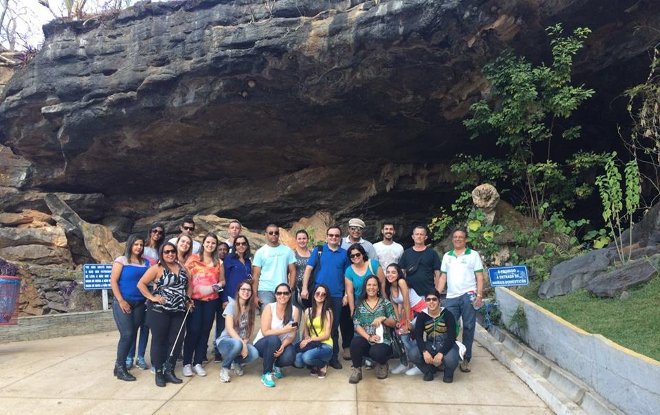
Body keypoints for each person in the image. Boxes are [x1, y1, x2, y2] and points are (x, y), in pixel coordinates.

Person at [137, 243, 192, 387]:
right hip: (159, 311)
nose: (170, 254)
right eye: (166, 252)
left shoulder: (182, 268)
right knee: (159, 341)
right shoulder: (157, 268)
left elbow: (189, 284)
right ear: (162, 253)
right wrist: (152, 297)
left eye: (172, 251)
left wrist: (188, 299)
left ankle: (169, 370)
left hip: (179, 310)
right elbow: (141, 284)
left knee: (176, 341)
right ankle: (159, 372)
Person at [300, 226, 349, 370]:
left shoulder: (344, 254)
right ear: (326, 236)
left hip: (336, 295)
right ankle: (314, 352)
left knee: (333, 328)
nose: (333, 238)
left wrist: (346, 294)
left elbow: (347, 276)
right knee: (314, 324)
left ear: (340, 238)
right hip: (318, 294)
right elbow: (308, 269)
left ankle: (333, 357)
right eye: (331, 235)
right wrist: (304, 288)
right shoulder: (319, 251)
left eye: (336, 235)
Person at [437, 228, 484, 373]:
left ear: (465, 239)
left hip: (468, 295)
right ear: (452, 239)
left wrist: (479, 295)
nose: (458, 239)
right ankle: (447, 355)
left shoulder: (473, 255)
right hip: (451, 296)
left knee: (469, 327)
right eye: (455, 237)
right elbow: (443, 277)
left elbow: (479, 276)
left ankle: (466, 359)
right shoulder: (447, 256)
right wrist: (436, 295)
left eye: (461, 237)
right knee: (448, 327)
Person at [182, 233, 225, 377]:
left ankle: (198, 362)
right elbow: (185, 278)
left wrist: (216, 286)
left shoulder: (218, 262)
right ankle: (187, 363)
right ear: (203, 243)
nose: (210, 245)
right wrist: (187, 298)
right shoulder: (193, 259)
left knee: (205, 330)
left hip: (211, 301)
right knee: (193, 330)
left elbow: (222, 281)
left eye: (213, 243)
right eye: (208, 242)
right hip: (194, 300)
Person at [110, 234, 150, 381]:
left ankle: (118, 367)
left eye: (141, 245)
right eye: (136, 244)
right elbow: (113, 281)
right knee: (127, 334)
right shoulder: (121, 261)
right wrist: (121, 300)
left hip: (140, 303)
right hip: (123, 302)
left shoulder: (146, 263)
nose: (138, 247)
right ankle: (121, 367)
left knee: (132, 334)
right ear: (130, 245)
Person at [127, 223, 164, 371]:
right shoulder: (136, 254)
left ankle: (140, 356)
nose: (157, 234)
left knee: (145, 328)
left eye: (160, 232)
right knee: (132, 328)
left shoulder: (156, 255)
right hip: (136, 294)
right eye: (154, 231)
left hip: (149, 295)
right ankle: (129, 356)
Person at [348, 276, 397, 384]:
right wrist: (369, 337)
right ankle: (357, 370)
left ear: (378, 288)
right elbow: (357, 324)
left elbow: (394, 322)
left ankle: (383, 363)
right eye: (369, 285)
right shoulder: (360, 304)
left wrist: (383, 318)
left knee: (376, 352)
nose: (372, 287)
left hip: (383, 341)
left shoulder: (385, 303)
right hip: (367, 339)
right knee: (355, 342)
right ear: (365, 287)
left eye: (374, 285)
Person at [253, 283, 301, 388]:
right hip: (263, 344)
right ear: (275, 295)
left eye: (285, 293)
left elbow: (292, 335)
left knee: (290, 355)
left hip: (281, 344)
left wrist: (283, 346)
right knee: (273, 340)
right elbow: (265, 332)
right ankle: (266, 373)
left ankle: (276, 365)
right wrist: (284, 330)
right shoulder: (269, 308)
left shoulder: (295, 311)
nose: (282, 296)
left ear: (290, 295)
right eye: (279, 293)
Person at [384, 263, 427, 375]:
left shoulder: (401, 282)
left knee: (410, 336)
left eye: (393, 272)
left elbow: (407, 303)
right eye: (388, 272)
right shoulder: (389, 286)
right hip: (409, 312)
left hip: (420, 311)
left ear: (399, 274)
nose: (390, 274)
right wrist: (398, 321)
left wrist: (408, 322)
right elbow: (394, 305)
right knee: (401, 336)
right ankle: (406, 363)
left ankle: (420, 364)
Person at [344, 243, 385, 357]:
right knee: (360, 331)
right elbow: (350, 292)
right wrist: (352, 309)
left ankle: (378, 355)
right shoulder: (349, 271)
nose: (355, 257)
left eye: (358, 254)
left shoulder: (374, 265)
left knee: (378, 328)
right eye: (352, 256)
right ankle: (363, 356)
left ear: (363, 254)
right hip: (360, 303)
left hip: (377, 301)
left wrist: (385, 301)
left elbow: (382, 284)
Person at [215, 280, 259, 383]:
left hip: (240, 342)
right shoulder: (232, 305)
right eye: (243, 289)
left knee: (254, 353)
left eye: (249, 290)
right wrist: (242, 345)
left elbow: (250, 328)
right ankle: (225, 368)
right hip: (225, 342)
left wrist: (245, 341)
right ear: (238, 291)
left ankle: (236, 362)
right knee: (237, 344)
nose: (246, 292)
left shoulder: (250, 308)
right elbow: (229, 328)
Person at [413, 289, 460, 383]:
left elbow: (452, 337)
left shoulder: (447, 314)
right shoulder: (422, 316)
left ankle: (448, 372)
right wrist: (424, 351)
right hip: (431, 345)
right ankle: (428, 371)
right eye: (428, 299)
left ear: (439, 301)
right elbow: (418, 336)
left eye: (434, 299)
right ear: (425, 301)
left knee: (451, 359)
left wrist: (441, 353)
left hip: (447, 344)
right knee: (413, 353)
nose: (431, 302)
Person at [252, 224, 296, 308]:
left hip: (283, 289)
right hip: (265, 290)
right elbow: (256, 275)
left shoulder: (287, 251)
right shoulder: (260, 252)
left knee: (284, 317)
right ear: (266, 234)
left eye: (276, 233)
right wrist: (255, 295)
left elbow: (293, 271)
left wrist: (290, 288)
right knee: (267, 316)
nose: (274, 235)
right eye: (271, 233)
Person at [294, 284, 333, 378]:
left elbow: (327, 335)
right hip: (313, 344)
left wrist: (310, 340)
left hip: (325, 345)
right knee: (297, 361)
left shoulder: (328, 312)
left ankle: (322, 364)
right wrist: (306, 339)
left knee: (306, 357)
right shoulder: (308, 311)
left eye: (323, 294)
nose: (320, 296)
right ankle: (314, 364)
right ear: (314, 295)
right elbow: (306, 330)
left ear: (326, 297)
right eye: (318, 293)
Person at [398, 226, 442, 301]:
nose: (419, 236)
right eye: (417, 234)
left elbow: (437, 273)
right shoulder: (406, 253)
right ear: (413, 236)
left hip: (428, 293)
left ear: (425, 237)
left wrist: (436, 290)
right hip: (410, 293)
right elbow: (402, 272)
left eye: (421, 234)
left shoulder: (432, 253)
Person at [212, 241, 231, 362]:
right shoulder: (213, 263)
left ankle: (219, 350)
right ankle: (215, 349)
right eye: (220, 249)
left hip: (224, 296)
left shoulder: (229, 263)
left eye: (225, 249)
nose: (223, 251)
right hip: (213, 296)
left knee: (222, 324)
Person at [292, 229, 311, 309]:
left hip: (310, 287)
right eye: (299, 239)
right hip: (296, 288)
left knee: (309, 312)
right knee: (296, 314)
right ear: (296, 240)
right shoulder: (292, 254)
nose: (302, 241)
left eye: (304, 238)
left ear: (308, 239)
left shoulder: (313, 253)